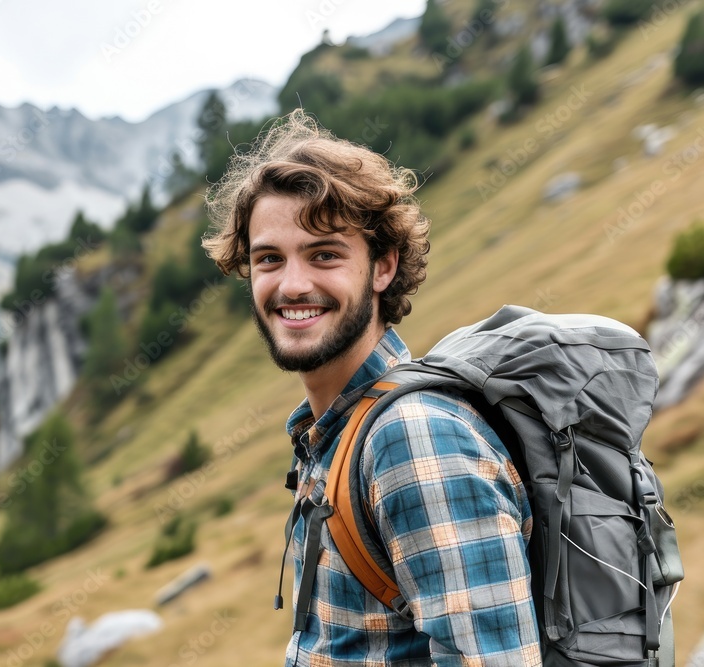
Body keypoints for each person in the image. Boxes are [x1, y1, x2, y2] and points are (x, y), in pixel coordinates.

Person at [202, 109, 541, 666]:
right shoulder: (333, 434)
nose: (292, 285)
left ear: (382, 268)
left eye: (325, 255)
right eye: (269, 259)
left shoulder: (411, 438)